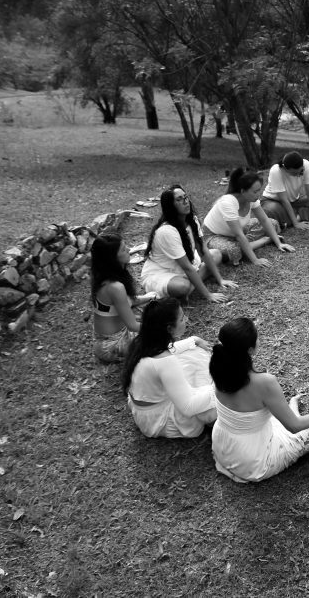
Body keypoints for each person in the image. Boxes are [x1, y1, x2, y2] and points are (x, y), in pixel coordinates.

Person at [209, 318, 309, 482]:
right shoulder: (264, 382)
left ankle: (291, 409)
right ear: (251, 350)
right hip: (252, 462)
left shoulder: (217, 368)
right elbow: (294, 426)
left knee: (280, 417)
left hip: (222, 446)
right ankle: (298, 420)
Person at [121, 299, 217, 438]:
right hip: (160, 419)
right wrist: (219, 387)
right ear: (169, 328)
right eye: (182, 318)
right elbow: (188, 408)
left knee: (195, 352)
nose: (187, 319)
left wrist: (194, 340)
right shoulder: (164, 361)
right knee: (223, 400)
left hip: (147, 407)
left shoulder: (143, 343)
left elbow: (173, 349)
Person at [140, 185, 237, 303]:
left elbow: (202, 250)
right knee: (182, 287)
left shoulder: (192, 220)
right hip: (163, 272)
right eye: (179, 199)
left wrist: (220, 280)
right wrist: (208, 295)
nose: (185, 202)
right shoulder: (167, 231)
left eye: (186, 197)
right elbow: (187, 267)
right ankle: (190, 286)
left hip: (187, 264)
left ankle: (191, 286)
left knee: (216, 254)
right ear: (170, 206)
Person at [202, 168, 294, 266]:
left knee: (273, 223)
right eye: (255, 192)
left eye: (259, 190)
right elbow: (239, 235)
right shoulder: (228, 202)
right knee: (234, 250)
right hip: (213, 236)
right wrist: (255, 260)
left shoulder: (251, 199)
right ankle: (264, 240)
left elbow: (264, 220)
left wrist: (279, 244)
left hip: (237, 231)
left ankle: (247, 245)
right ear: (242, 191)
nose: (258, 194)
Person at [90, 233, 157, 363]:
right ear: (112, 258)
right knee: (158, 337)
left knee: (154, 307)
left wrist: (149, 297)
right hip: (111, 345)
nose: (128, 250)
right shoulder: (115, 287)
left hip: (109, 336)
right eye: (123, 249)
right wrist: (158, 328)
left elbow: (128, 301)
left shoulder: (104, 277)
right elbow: (132, 325)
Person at [260, 152, 309, 231]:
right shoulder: (276, 170)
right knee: (270, 210)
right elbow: (284, 200)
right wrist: (296, 223)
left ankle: (290, 218)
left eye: (301, 171)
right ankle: (296, 217)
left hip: (295, 201)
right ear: (285, 167)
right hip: (273, 201)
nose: (298, 174)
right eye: (294, 173)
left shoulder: (306, 164)